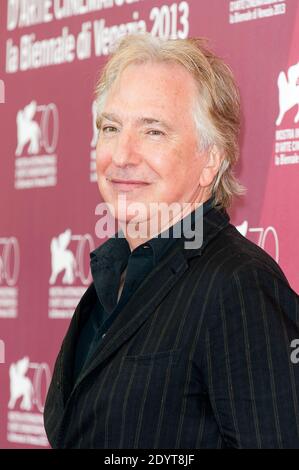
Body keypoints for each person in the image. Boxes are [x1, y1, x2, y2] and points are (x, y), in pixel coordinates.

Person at [44, 33, 299, 449]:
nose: (122, 154)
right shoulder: (113, 277)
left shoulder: (239, 285)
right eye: (110, 127)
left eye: (154, 132)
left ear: (210, 159)